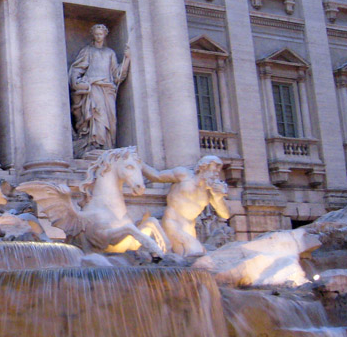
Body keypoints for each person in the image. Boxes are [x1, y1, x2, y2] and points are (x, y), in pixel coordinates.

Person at [142, 155, 231, 256]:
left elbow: (225, 215)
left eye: (217, 172)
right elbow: (156, 176)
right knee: (193, 254)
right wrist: (140, 164)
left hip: (190, 229)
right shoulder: (184, 175)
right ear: (203, 167)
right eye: (214, 171)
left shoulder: (210, 191)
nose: (216, 175)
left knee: (197, 257)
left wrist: (218, 197)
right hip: (172, 223)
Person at [69, 23, 130, 153]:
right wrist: (77, 82)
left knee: (110, 120)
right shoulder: (88, 51)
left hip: (107, 89)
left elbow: (117, 75)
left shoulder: (110, 53)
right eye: (96, 34)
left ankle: (107, 145)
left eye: (100, 34)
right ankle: (95, 143)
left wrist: (127, 59)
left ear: (105, 35)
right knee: (97, 116)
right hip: (93, 87)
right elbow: (77, 69)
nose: (98, 36)